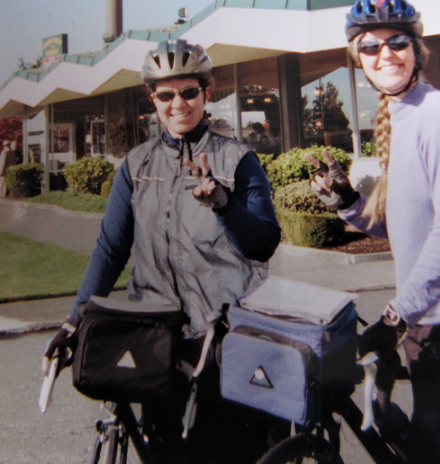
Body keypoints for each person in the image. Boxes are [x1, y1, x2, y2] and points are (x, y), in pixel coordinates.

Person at [42, 39, 285, 464]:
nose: (179, 104)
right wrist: (74, 318)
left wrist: (224, 205)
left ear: (207, 94)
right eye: (166, 94)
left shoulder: (238, 160)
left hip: (223, 338)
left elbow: (263, 244)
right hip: (158, 338)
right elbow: (111, 248)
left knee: (229, 451)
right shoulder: (137, 166)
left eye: (189, 92)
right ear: (152, 98)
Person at [306, 0, 440, 464]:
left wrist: (396, 316)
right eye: (370, 47)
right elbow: (402, 225)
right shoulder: (397, 117)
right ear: (357, 59)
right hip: (432, 317)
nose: (385, 55)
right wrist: (347, 202)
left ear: (417, 50)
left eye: (397, 42)